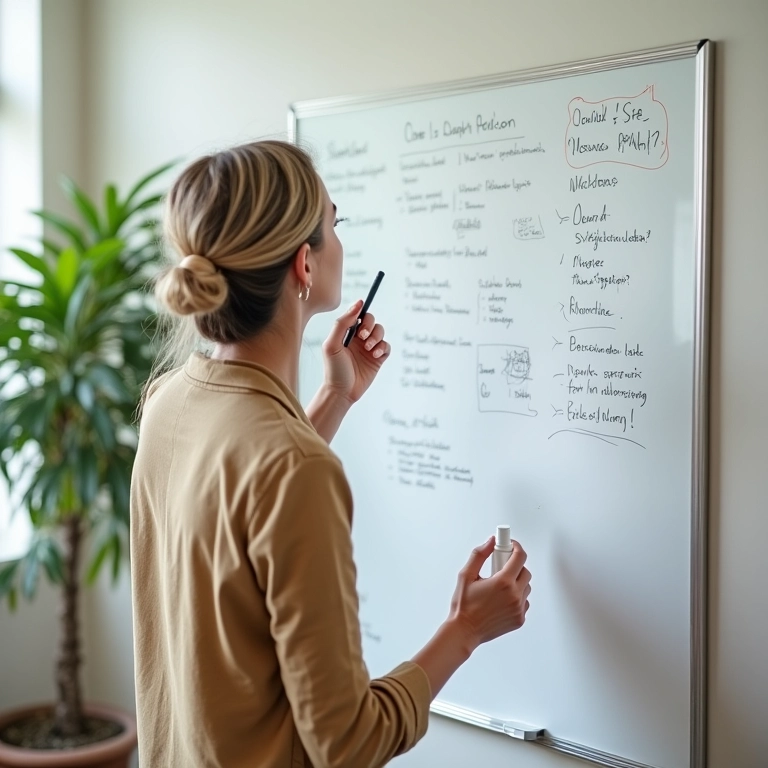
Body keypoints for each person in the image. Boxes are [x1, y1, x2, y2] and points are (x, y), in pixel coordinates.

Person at [130, 140, 532, 768]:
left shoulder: (169, 402)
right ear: (304, 265)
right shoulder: (296, 468)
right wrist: (465, 629)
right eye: (335, 224)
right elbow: (348, 743)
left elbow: (249, 503)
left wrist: (335, 398)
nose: (340, 241)